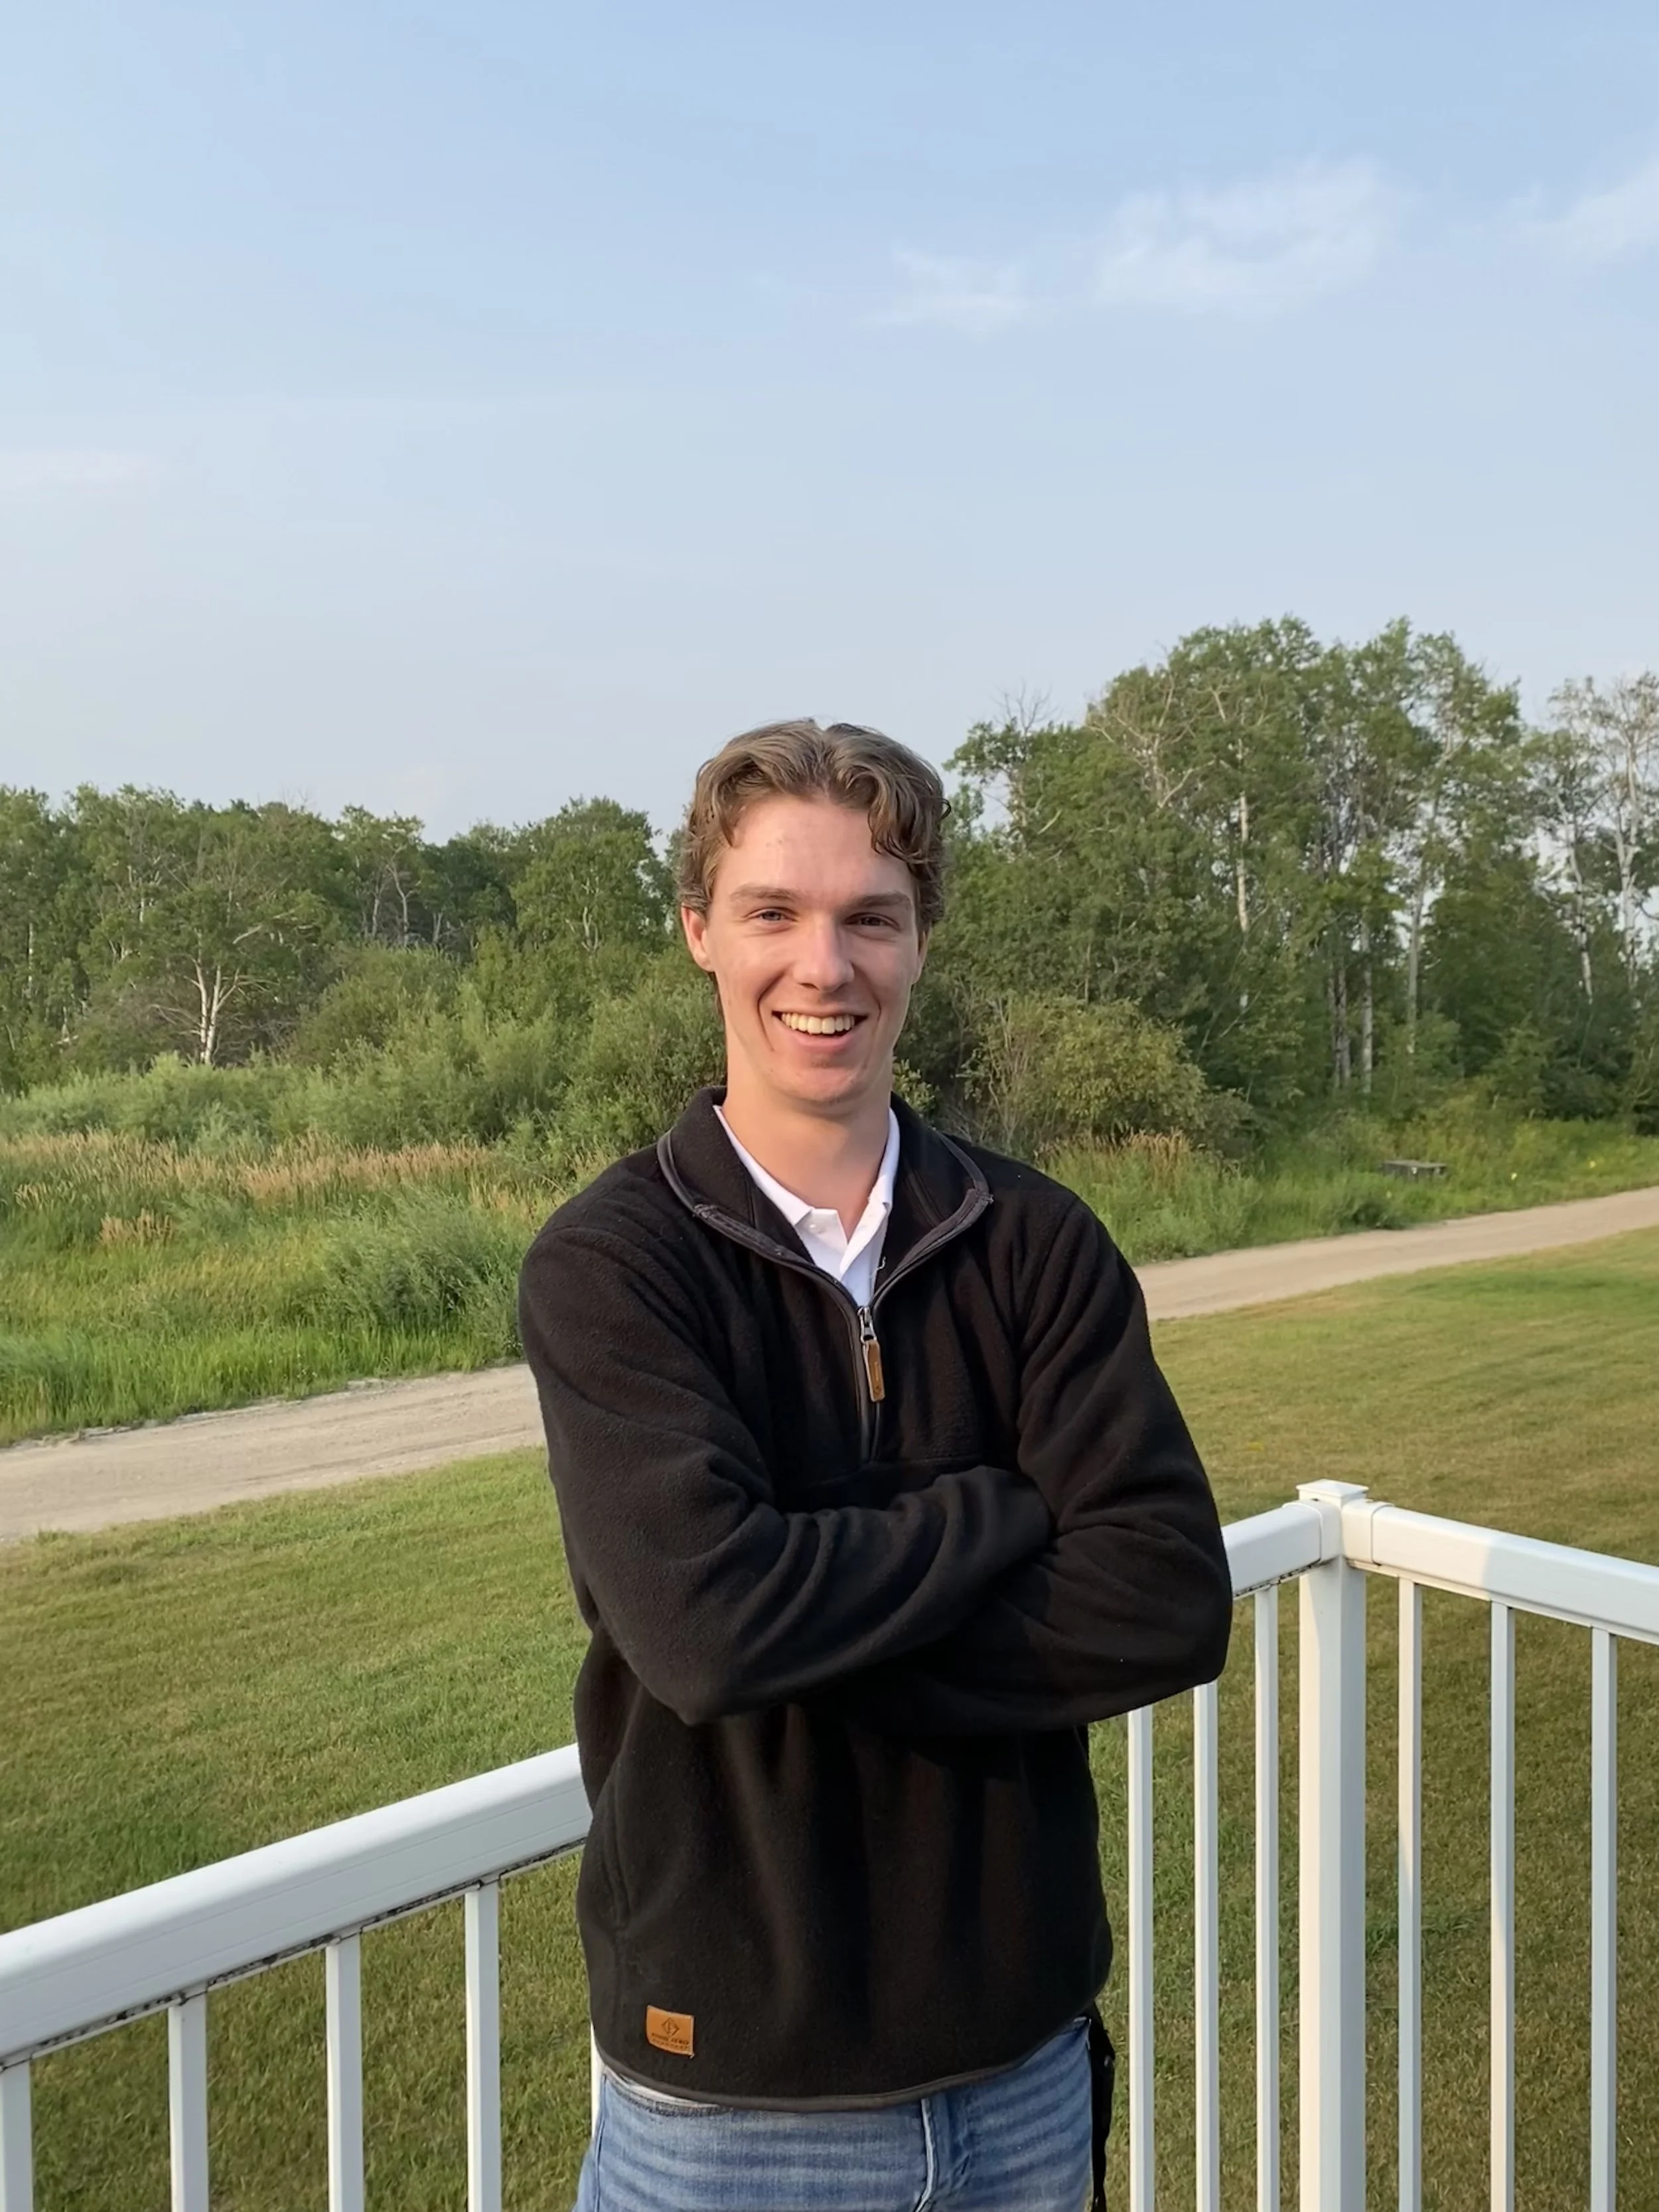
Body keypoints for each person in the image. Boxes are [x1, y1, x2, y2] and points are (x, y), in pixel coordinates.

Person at [518, 719, 1232, 2212]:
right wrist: (998, 1510)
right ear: (698, 929)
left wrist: (801, 1615)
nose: (822, 966)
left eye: (869, 917)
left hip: (1022, 2077)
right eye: (773, 912)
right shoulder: (614, 1264)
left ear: (919, 941)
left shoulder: (1032, 1241)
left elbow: (1166, 1596)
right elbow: (704, 1632)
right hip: (729, 2112)